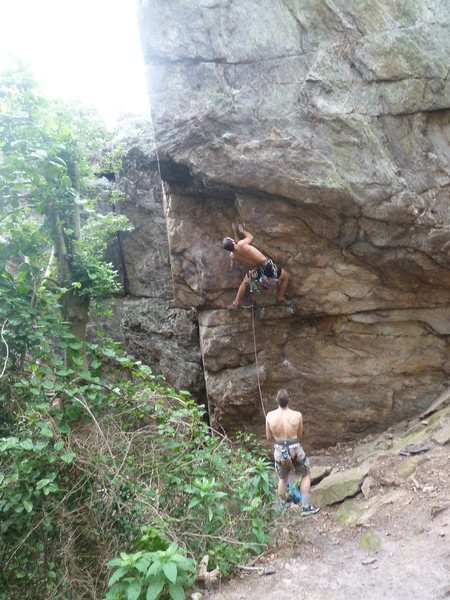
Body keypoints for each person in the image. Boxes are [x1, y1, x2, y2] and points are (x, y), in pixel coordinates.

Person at [265, 389, 320, 516]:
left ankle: (280, 507)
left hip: (279, 450)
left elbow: (268, 437)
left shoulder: (269, 416)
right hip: (295, 449)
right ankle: (305, 507)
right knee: (305, 474)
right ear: (289, 400)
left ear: (276, 401)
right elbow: (299, 434)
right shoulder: (297, 415)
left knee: (282, 479)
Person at [222, 225, 290, 308]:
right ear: (232, 242)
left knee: (244, 284)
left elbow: (235, 247)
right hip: (266, 266)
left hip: (256, 270)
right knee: (286, 276)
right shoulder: (242, 244)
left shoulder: (233, 256)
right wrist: (242, 231)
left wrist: (234, 231)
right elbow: (251, 237)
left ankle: (236, 303)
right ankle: (280, 297)